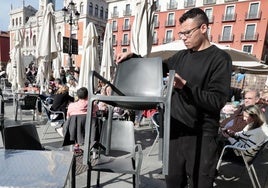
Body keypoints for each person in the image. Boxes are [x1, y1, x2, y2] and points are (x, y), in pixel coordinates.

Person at [116, 8, 232, 188]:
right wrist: (134, 57)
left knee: (200, 183)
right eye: (181, 33)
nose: (183, 37)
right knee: (172, 182)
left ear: (203, 28)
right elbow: (158, 68)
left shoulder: (220, 58)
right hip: (174, 132)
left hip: (201, 136)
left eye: (187, 33)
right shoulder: (181, 56)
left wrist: (184, 86)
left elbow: (217, 100)